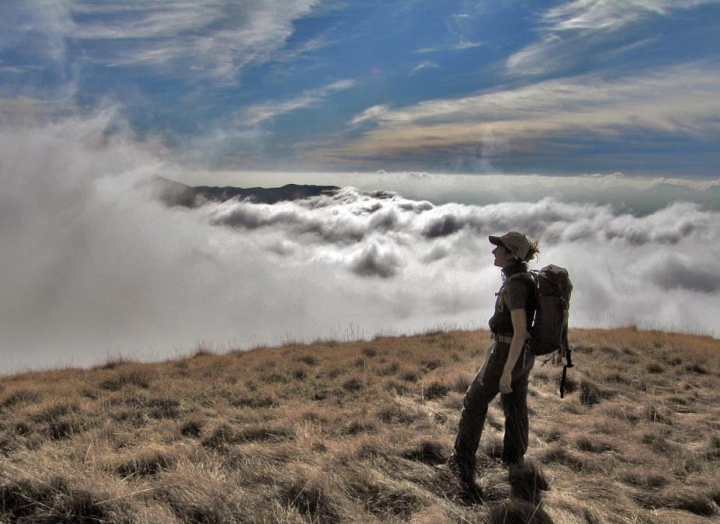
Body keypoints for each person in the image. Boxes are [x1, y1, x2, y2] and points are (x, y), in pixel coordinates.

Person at [448, 231, 539, 487]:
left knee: (474, 400)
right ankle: (514, 459)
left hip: (507, 354)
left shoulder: (517, 285)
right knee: (515, 405)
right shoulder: (524, 279)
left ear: (512, 255)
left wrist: (507, 370)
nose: (493, 252)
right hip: (523, 356)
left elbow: (520, 331)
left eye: (499, 248)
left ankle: (462, 460)